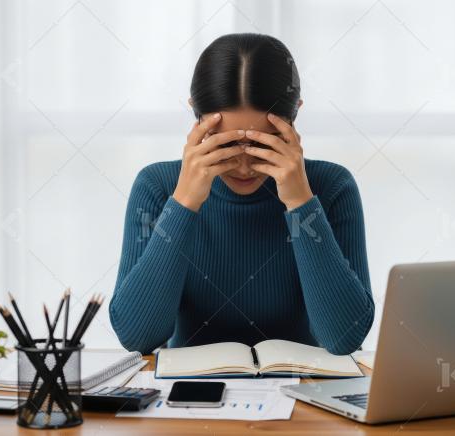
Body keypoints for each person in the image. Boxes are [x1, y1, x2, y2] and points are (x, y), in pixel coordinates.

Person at [109, 33, 374, 356]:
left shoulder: (331, 186)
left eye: (263, 145)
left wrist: (300, 202)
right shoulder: (158, 186)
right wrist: (184, 203)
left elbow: (344, 337)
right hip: (188, 399)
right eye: (226, 145)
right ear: (197, 118)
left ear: (294, 119)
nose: (245, 167)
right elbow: (137, 337)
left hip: (303, 394)